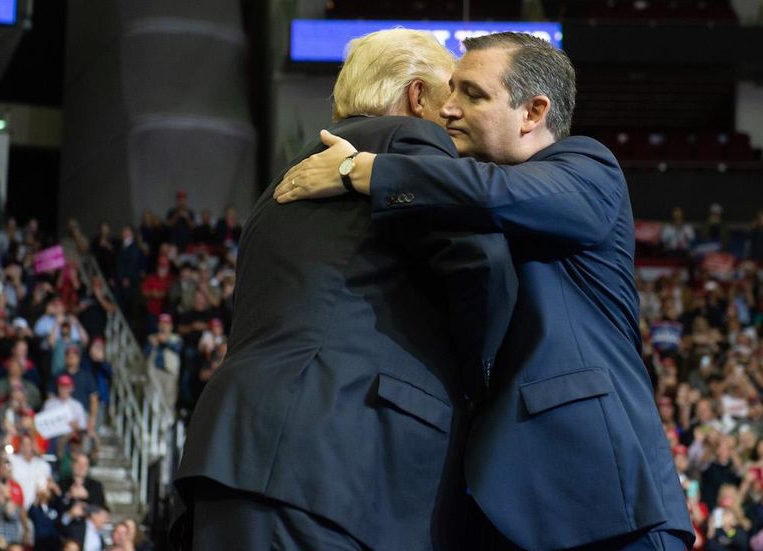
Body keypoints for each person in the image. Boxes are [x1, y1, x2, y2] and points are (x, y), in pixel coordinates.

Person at [279, 31, 693, 551]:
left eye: (472, 94)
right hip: (496, 507)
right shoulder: (452, 201)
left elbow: (499, 194)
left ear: (532, 112)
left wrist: (364, 169)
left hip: (600, 497)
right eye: (449, 90)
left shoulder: (588, 168)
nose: (447, 108)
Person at [172, 29, 517, 551]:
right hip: (333, 465)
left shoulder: (280, 185)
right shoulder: (404, 142)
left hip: (246, 461)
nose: (453, 119)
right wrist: (490, 383)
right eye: (449, 99)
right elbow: (481, 261)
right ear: (416, 96)